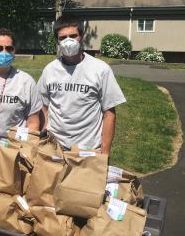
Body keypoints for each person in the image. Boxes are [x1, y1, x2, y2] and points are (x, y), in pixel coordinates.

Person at [37, 18, 126, 154]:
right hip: (55, 147)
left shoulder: (100, 69)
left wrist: (105, 152)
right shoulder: (49, 70)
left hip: (88, 149)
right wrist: (42, 138)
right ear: (57, 41)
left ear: (82, 37)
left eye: (73, 36)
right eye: (63, 38)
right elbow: (43, 107)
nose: (68, 41)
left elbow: (109, 114)